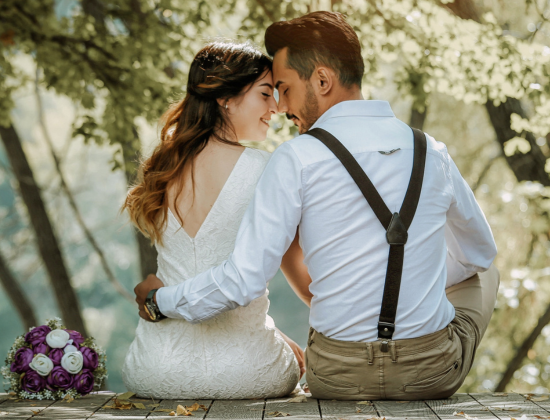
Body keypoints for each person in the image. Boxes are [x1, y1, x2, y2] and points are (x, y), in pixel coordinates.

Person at [135, 12, 499, 400]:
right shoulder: (433, 152)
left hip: (335, 376)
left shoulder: (295, 159)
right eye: (270, 91)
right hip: (431, 373)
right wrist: (415, 281)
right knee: (484, 270)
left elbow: (243, 279)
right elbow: (478, 253)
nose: (281, 106)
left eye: (284, 88)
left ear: (322, 81)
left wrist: (160, 300)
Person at [121, 42, 303, 399]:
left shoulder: (161, 169)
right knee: (298, 362)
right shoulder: (266, 168)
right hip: (249, 373)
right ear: (226, 98)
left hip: (155, 370)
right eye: (266, 94)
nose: (277, 107)